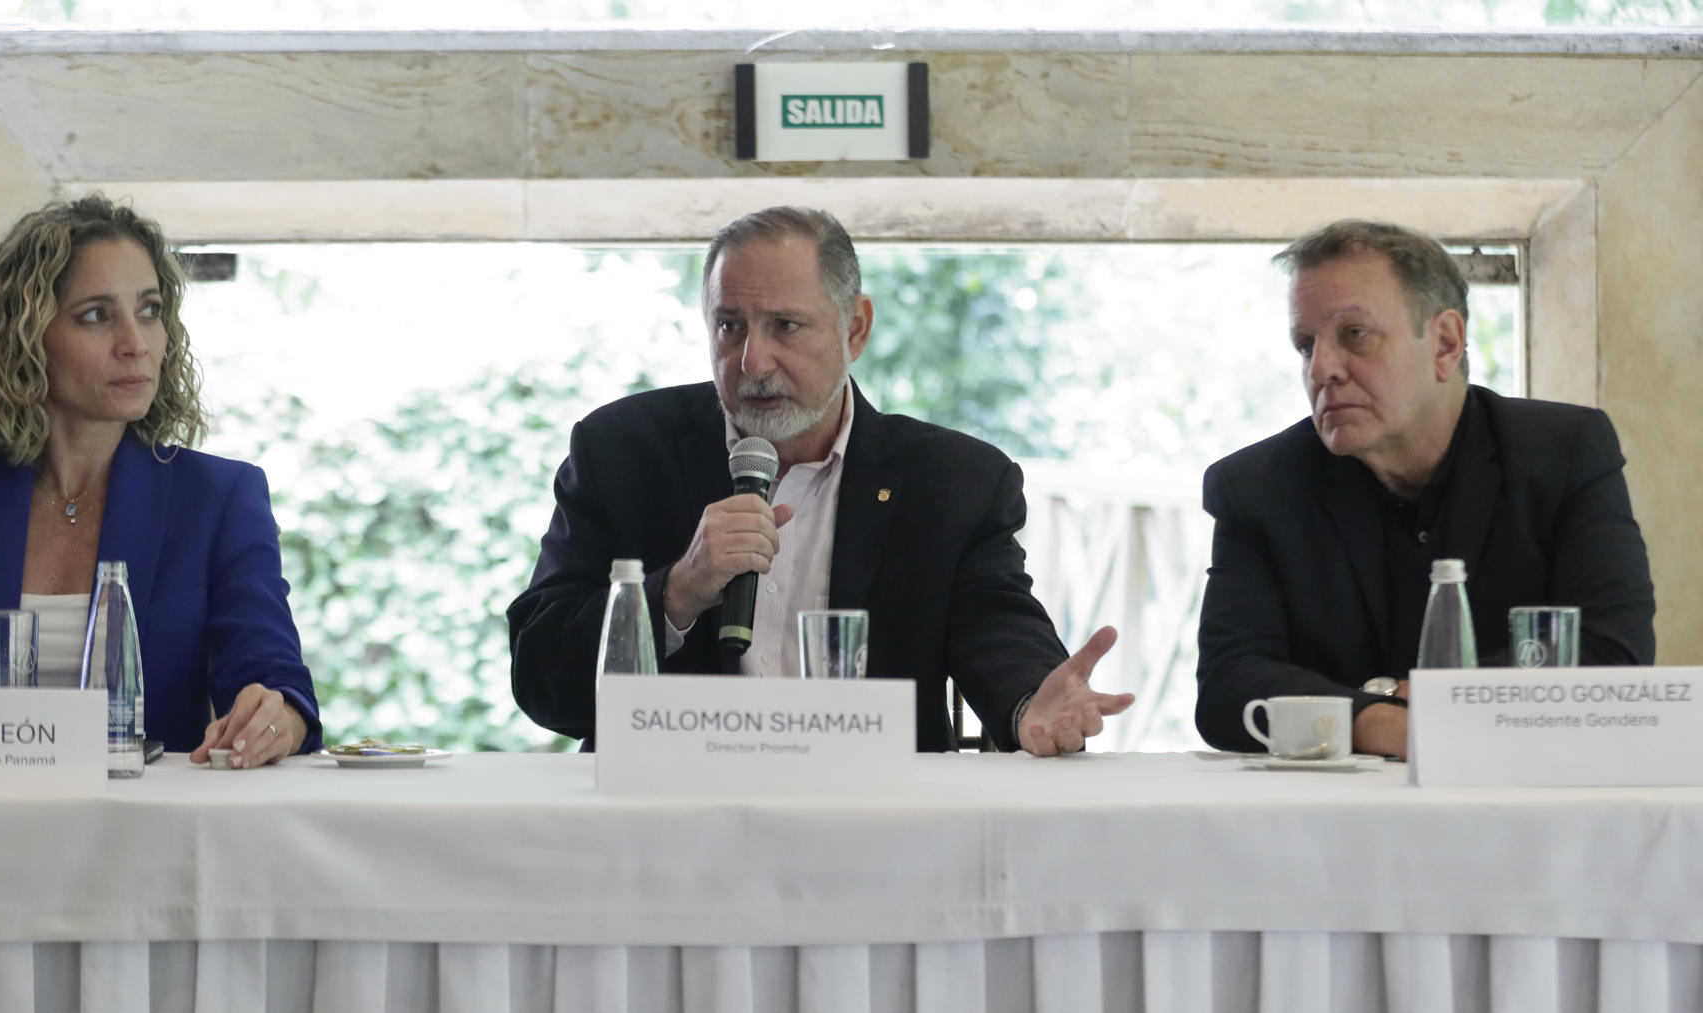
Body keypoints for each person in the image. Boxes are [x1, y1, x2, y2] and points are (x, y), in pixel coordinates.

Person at [508, 206, 1132, 753]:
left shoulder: (954, 481)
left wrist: (1029, 702)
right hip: (667, 828)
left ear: (854, 328)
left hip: (876, 831)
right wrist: (675, 592)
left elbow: (996, 629)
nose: (752, 360)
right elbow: (541, 681)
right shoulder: (620, 451)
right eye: (729, 326)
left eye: (785, 326)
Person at [0, 195, 320, 769]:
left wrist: (277, 716)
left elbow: (274, 676)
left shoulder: (219, 498)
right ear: (26, 335)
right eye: (96, 315)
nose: (135, 343)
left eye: (149, 310)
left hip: (148, 837)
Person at [1195, 218, 1655, 758]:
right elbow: (1229, 688)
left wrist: (1422, 702)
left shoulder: (1563, 452)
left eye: (1355, 335)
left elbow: (1611, 657)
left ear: (1445, 342)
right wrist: (1381, 724)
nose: (1322, 369)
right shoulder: (1256, 487)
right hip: (1328, 822)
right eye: (1305, 345)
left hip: (1522, 798)